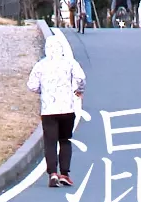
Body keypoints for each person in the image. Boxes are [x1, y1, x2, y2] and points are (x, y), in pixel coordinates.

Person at [27, 35, 86, 187]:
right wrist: (78, 90)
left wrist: (43, 90)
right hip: (67, 108)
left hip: (48, 109)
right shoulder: (70, 63)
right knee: (65, 140)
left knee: (50, 141)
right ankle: (65, 173)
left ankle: (52, 173)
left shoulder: (41, 65)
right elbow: (80, 78)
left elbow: (32, 85)